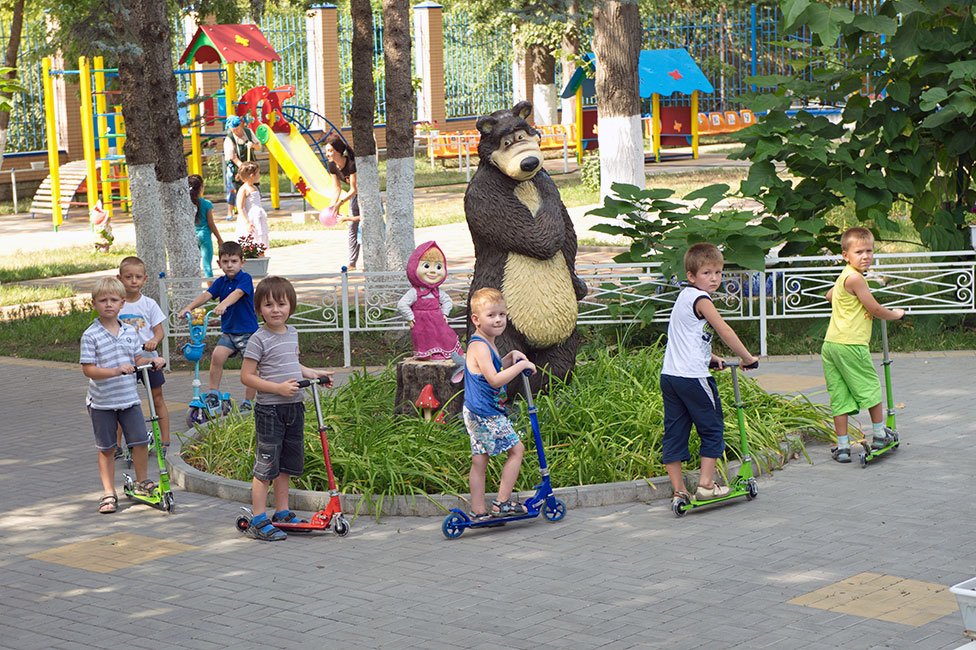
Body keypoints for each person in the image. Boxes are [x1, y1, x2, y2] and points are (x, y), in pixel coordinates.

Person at [660, 243, 759, 507]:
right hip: (693, 378)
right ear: (691, 276)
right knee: (712, 427)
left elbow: (683, 335)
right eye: (707, 273)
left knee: (675, 431)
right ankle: (705, 485)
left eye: (718, 272)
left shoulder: (684, 297)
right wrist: (748, 358)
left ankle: (679, 491)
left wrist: (711, 358)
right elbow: (724, 330)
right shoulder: (702, 300)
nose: (714, 278)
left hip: (671, 376)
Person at [240, 276, 333, 541]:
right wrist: (277, 388)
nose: (276, 310)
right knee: (266, 466)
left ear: (291, 306)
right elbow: (247, 377)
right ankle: (259, 518)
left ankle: (282, 512)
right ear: (259, 309)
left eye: (281, 304)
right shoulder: (258, 339)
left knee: (286, 466)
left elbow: (294, 365)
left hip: (294, 407)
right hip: (270, 410)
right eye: (269, 305)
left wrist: (315, 375)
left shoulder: (292, 333)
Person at [81, 277, 165, 514]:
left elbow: (137, 358)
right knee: (107, 448)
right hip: (102, 403)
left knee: (139, 442)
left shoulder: (130, 331)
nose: (108, 304)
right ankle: (108, 492)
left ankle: (141, 481)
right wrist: (115, 371)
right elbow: (88, 369)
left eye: (114, 300)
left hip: (129, 400)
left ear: (122, 304)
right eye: (103, 300)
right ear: (94, 304)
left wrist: (152, 361)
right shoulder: (91, 335)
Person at [822, 227, 905, 463]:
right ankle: (879, 434)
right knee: (869, 387)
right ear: (845, 255)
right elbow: (875, 309)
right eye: (859, 251)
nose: (865, 256)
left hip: (831, 344)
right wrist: (896, 314)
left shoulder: (844, 275)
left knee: (840, 395)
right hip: (851, 344)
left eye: (869, 250)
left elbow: (830, 295)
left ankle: (843, 446)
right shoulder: (857, 278)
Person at [462, 287, 536, 520]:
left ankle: (478, 509)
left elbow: (490, 371)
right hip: (486, 413)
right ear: (476, 319)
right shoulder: (480, 346)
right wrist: (521, 366)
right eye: (491, 315)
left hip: (477, 410)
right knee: (517, 450)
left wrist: (510, 355)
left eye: (502, 315)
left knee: (480, 459)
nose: (498, 320)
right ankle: (502, 503)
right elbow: (494, 380)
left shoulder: (485, 343)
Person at [179, 241, 259, 411]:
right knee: (217, 357)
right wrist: (189, 307)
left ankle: (249, 401)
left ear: (242, 262)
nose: (230, 265)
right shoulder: (220, 282)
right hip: (229, 332)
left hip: (247, 332)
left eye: (234, 261)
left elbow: (237, 294)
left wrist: (224, 305)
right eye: (225, 261)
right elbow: (207, 295)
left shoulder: (245, 278)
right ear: (219, 263)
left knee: (251, 368)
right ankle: (213, 392)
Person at [117, 256, 171, 455]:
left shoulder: (149, 304)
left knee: (157, 398)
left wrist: (153, 341)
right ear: (119, 278)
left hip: (148, 358)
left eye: (138, 277)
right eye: (128, 276)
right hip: (124, 359)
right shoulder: (117, 305)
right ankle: (116, 445)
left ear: (145, 279)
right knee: (122, 402)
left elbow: (159, 331)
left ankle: (165, 441)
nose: (133, 281)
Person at [324, 134, 360, 270]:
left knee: (365, 226)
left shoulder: (351, 164)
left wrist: (340, 203)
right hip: (354, 198)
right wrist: (332, 205)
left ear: (338, 151)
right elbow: (337, 188)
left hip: (365, 196)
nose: (328, 154)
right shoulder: (332, 166)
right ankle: (352, 263)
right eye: (327, 151)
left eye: (330, 151)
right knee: (352, 228)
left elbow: (354, 189)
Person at [223, 115, 261, 221]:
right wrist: (244, 169)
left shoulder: (248, 132)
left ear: (241, 125)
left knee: (254, 186)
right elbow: (233, 157)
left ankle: (254, 208)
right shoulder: (229, 139)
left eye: (237, 128)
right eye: (233, 128)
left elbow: (259, 146)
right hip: (235, 168)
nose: (235, 130)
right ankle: (230, 211)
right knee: (233, 188)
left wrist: (252, 145)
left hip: (250, 167)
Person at [189, 175, 224, 278]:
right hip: (204, 236)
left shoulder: (187, 204)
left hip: (192, 235)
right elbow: (211, 223)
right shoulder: (206, 204)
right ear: (201, 187)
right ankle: (210, 290)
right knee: (207, 265)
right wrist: (219, 239)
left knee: (193, 265)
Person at [234, 161, 269, 250]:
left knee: (260, 237)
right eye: (258, 173)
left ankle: (261, 252)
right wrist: (247, 222)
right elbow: (240, 207)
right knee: (251, 238)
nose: (259, 175)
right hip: (250, 218)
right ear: (251, 175)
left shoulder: (254, 187)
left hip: (257, 217)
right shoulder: (244, 189)